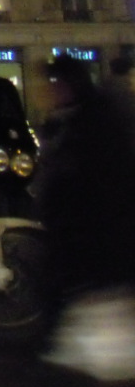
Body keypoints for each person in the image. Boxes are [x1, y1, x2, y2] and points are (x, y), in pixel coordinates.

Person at [35, 54, 135, 325]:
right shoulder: (74, 117)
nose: (50, 90)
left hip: (92, 244)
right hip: (79, 243)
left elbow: (95, 183)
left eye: (55, 83)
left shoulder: (93, 122)